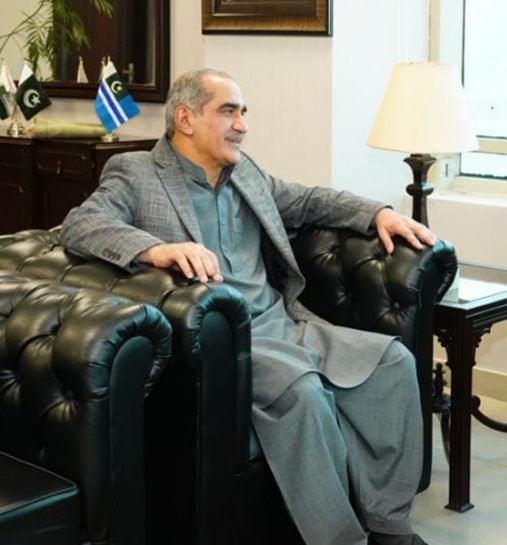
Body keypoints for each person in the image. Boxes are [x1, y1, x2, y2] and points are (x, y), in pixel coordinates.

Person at [60, 68, 434, 545]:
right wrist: (155, 250)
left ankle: (389, 525)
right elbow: (81, 224)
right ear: (185, 119)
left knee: (392, 362)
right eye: (228, 111)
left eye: (243, 112)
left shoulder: (246, 172)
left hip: (283, 322)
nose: (242, 125)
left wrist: (378, 212)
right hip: (226, 344)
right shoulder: (136, 173)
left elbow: (309, 201)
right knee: (303, 392)